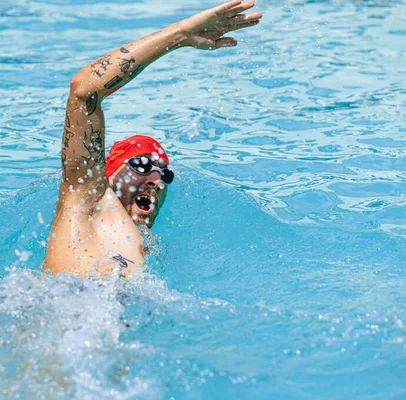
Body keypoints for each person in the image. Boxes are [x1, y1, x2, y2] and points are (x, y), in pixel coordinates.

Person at [44, 0, 262, 277]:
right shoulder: (87, 199)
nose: (157, 181)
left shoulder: (140, 248)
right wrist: (179, 35)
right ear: (109, 175)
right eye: (142, 165)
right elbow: (84, 90)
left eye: (165, 174)